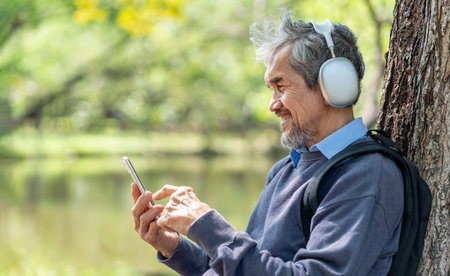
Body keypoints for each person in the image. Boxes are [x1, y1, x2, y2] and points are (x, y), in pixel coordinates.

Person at [130, 11, 404, 276]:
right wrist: (173, 247)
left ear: (333, 85)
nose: (272, 105)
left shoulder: (366, 176)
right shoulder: (286, 170)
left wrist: (207, 226)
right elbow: (249, 268)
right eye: (271, 89)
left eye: (281, 86)